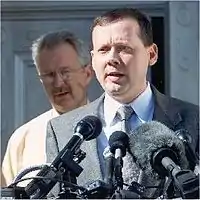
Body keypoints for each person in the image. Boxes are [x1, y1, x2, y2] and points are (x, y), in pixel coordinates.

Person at [46, 8, 199, 198]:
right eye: (103, 50)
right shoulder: (62, 131)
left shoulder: (193, 121)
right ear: (93, 60)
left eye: (123, 48)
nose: (112, 59)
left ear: (151, 54)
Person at [2, 30, 93, 186]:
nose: (58, 83)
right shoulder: (23, 139)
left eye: (65, 72)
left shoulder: (111, 129)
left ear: (87, 73)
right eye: (49, 75)